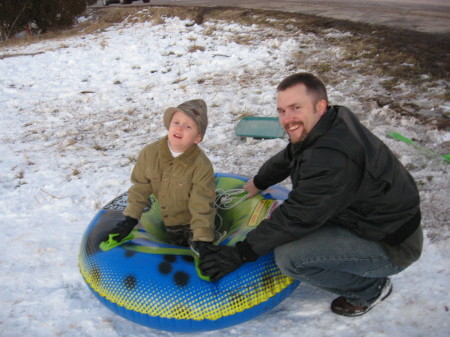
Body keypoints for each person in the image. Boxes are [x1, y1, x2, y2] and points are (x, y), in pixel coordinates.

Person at [199, 73, 423, 317]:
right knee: (292, 233)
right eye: (282, 110)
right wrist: (259, 181)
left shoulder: (330, 159)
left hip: (392, 246)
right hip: (372, 220)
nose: (287, 118)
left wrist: (240, 253)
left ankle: (370, 289)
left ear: (320, 106)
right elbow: (291, 154)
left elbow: (296, 216)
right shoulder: (329, 122)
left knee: (289, 258)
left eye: (295, 108)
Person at [106, 99, 216, 248]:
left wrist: (203, 238)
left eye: (188, 126)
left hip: (189, 223)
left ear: (197, 138)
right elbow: (140, 188)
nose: (179, 128)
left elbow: (201, 203)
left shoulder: (201, 166)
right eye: (176, 122)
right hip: (164, 220)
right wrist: (130, 218)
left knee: (195, 256)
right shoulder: (149, 153)